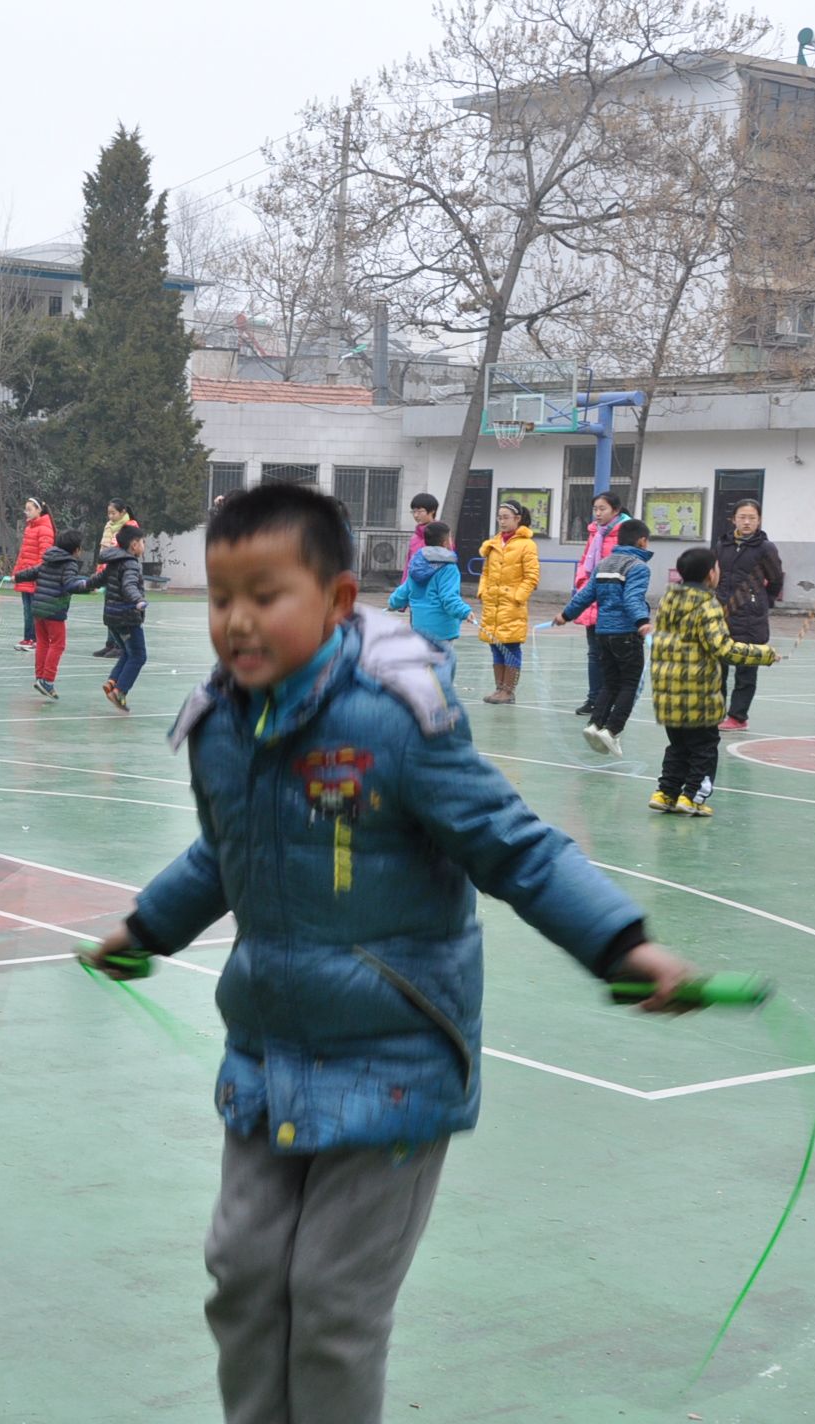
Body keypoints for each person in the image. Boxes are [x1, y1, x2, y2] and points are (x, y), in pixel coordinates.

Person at [80, 483, 695, 1424]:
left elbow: (514, 845)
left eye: (266, 596)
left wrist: (619, 942)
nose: (238, 621)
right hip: (268, 1053)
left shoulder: (398, 719)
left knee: (333, 1303)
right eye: (221, 597)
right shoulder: (220, 726)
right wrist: (149, 926)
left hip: (395, 1059)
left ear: (336, 602)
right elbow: (225, 852)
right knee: (243, 1278)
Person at [649, 545, 781, 817]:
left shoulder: (667, 600)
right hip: (698, 691)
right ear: (711, 574)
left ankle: (666, 792)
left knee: (678, 745)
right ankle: (693, 796)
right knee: (704, 747)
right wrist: (764, 654)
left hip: (668, 689)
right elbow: (722, 648)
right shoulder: (708, 605)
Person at [556, 517, 654, 758]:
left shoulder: (604, 564)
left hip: (602, 633)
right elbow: (632, 598)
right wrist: (642, 621)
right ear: (642, 541)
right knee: (629, 683)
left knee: (610, 682)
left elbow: (585, 595)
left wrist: (566, 615)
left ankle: (594, 724)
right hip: (626, 633)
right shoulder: (638, 567)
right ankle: (612, 730)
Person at [714, 499, 785, 729]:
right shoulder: (722, 544)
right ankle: (716, 712)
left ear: (759, 520)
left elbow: (776, 579)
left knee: (746, 668)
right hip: (722, 613)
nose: (746, 522)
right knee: (717, 667)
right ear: (733, 519)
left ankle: (738, 716)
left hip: (750, 617)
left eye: (752, 518)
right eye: (742, 517)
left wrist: (762, 601)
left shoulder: (765, 548)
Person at [569, 492, 630, 717]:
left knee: (615, 655)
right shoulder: (595, 533)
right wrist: (582, 584)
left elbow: (631, 566)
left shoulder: (626, 533)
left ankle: (613, 701)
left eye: (602, 509)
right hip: (593, 600)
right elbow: (585, 562)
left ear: (616, 510)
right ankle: (594, 699)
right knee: (594, 653)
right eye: (595, 509)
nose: (597, 513)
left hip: (614, 603)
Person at [477, 501, 539, 704]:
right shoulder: (493, 544)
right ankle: (499, 688)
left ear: (517, 519)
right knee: (495, 646)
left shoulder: (527, 545)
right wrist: (483, 592)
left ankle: (508, 691)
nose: (502, 521)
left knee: (510, 647)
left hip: (512, 605)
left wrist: (518, 597)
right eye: (499, 517)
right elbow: (486, 572)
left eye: (506, 517)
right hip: (492, 604)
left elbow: (531, 576)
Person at [387, 520, 474, 657]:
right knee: (441, 668)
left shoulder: (417, 564)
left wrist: (393, 603)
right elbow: (449, 598)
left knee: (423, 666)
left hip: (419, 628)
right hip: (442, 630)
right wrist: (465, 612)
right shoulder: (449, 568)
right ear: (445, 543)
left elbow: (405, 590)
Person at [89, 523, 151, 711]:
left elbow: (97, 580)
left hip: (112, 617)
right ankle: (120, 691)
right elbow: (129, 586)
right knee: (139, 656)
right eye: (142, 542)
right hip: (127, 617)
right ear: (134, 545)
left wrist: (81, 585)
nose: (144, 545)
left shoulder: (114, 562)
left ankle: (112, 682)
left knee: (127, 652)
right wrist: (138, 600)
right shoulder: (131, 564)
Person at [27, 529, 93, 699]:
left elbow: (32, 572)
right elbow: (70, 584)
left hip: (38, 608)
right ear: (76, 549)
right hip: (54, 609)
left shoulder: (48, 558)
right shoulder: (70, 563)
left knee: (42, 643)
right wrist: (87, 587)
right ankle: (47, 681)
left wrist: (17, 577)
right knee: (58, 644)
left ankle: (40, 677)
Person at [12, 496, 55, 651]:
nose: (27, 512)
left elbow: (44, 557)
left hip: (35, 578)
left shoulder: (45, 529)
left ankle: (36, 639)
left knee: (34, 611)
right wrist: (17, 572)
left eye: (30, 509)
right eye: (26, 509)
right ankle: (28, 638)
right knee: (27, 610)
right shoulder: (29, 528)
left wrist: (36, 575)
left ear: (39, 510)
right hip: (25, 577)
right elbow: (23, 554)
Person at [94, 498, 132, 658]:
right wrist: (100, 569)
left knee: (118, 612)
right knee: (109, 611)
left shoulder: (130, 526)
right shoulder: (109, 526)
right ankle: (110, 644)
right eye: (108, 513)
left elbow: (129, 550)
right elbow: (104, 549)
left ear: (123, 512)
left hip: (121, 573)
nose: (110, 516)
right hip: (108, 571)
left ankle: (120, 645)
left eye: (113, 513)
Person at [406, 491, 440, 559]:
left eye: (419, 511)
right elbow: (409, 562)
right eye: (414, 511)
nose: (415, 515)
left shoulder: (441, 534)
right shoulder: (415, 537)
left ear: (432, 511)